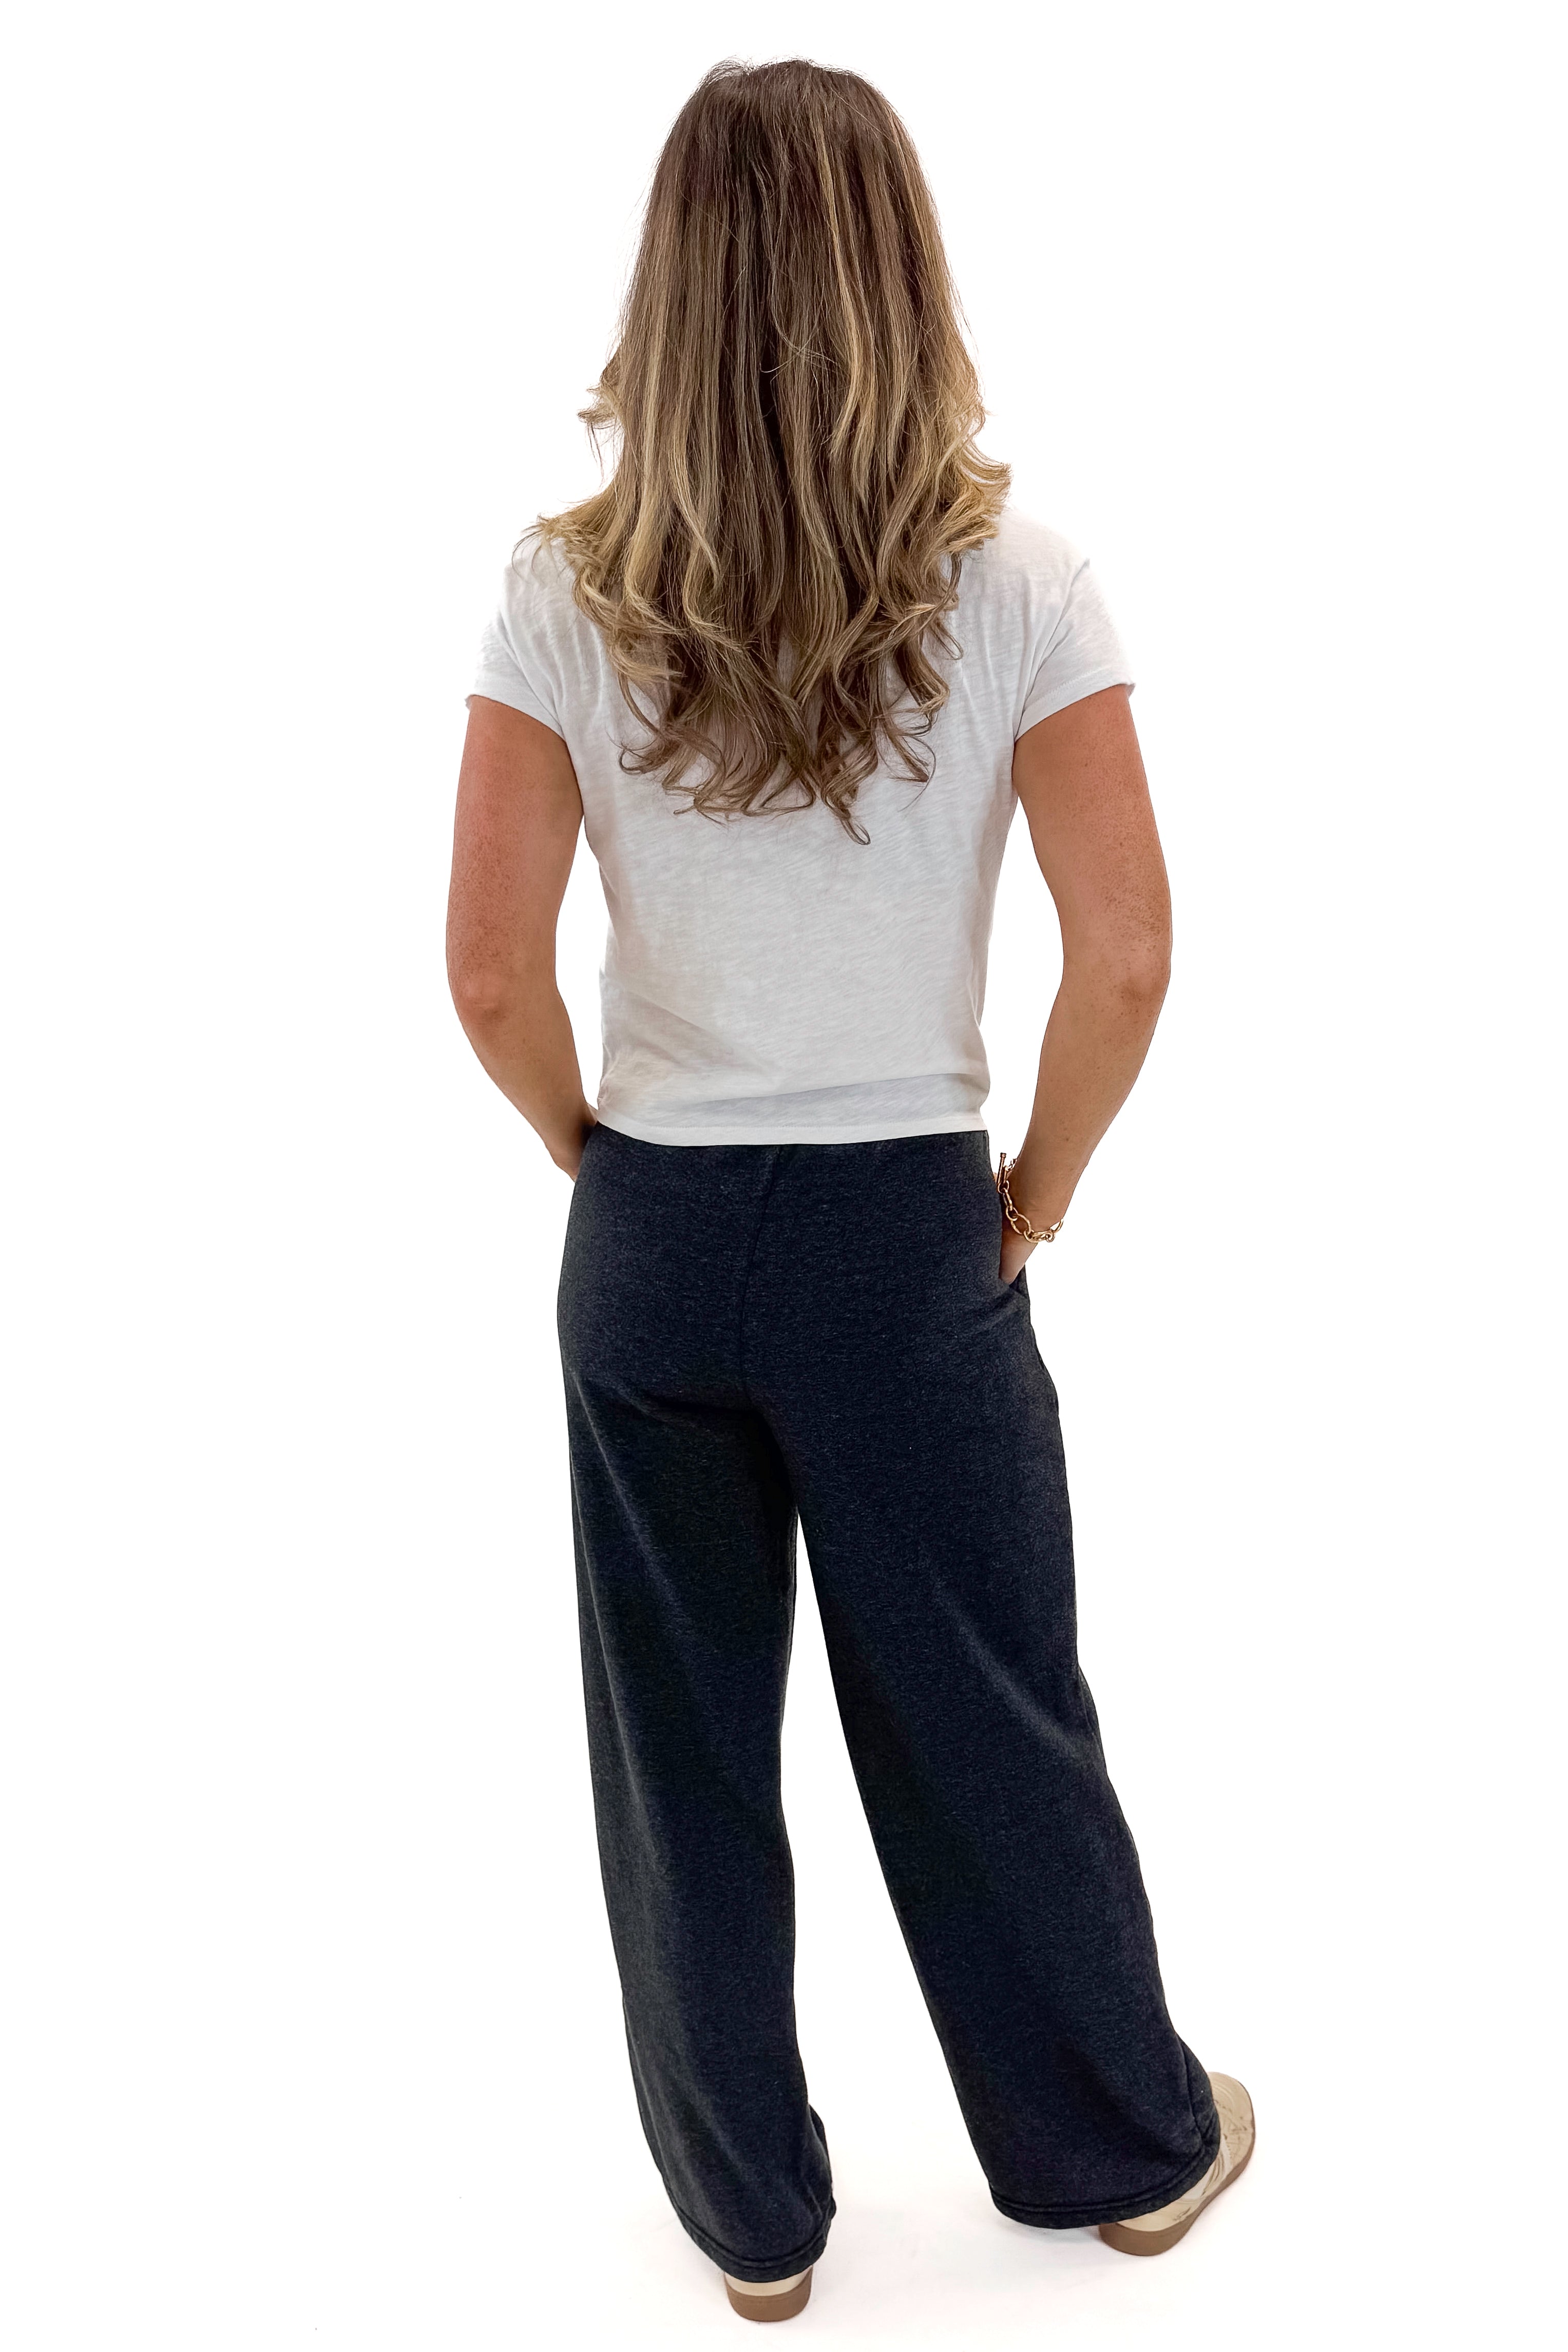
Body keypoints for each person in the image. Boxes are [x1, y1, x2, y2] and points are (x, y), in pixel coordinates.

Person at [446, 55, 1253, 2326]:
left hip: (658, 1238)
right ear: (904, 275)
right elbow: (1132, 952)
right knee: (988, 1707)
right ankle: (1117, 2151)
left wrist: (585, 1157)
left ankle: (753, 2235)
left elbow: (490, 970)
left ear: (669, 287)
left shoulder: (557, 590)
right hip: (911, 1231)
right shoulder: (1022, 578)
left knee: (674, 1748)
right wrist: (1035, 1193)